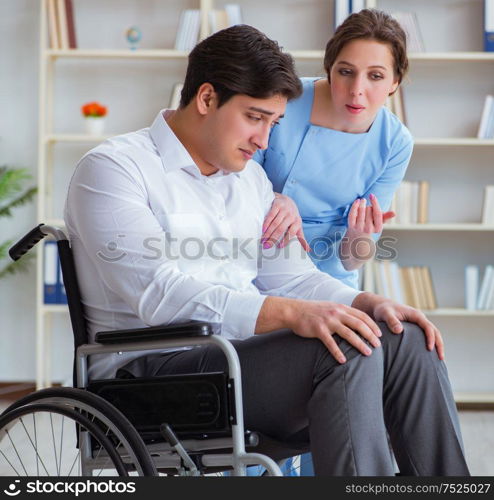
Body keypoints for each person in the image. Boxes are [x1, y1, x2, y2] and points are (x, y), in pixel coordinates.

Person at [64, 24, 469, 476]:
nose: (264, 141)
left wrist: (367, 302)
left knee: (403, 336)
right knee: (346, 347)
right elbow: (158, 293)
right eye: (255, 118)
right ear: (206, 99)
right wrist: (291, 314)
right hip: (152, 374)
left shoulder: (247, 179)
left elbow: (293, 277)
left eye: (273, 123)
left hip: (237, 361)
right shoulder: (114, 170)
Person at [254, 9, 414, 474]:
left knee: (346, 376)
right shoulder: (287, 101)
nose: (356, 89)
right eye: (345, 72)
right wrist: (272, 195)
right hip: (263, 255)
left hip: (333, 273)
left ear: (395, 84)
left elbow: (355, 255)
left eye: (375, 76)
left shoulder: (394, 141)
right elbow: (231, 172)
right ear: (328, 70)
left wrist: (362, 239)